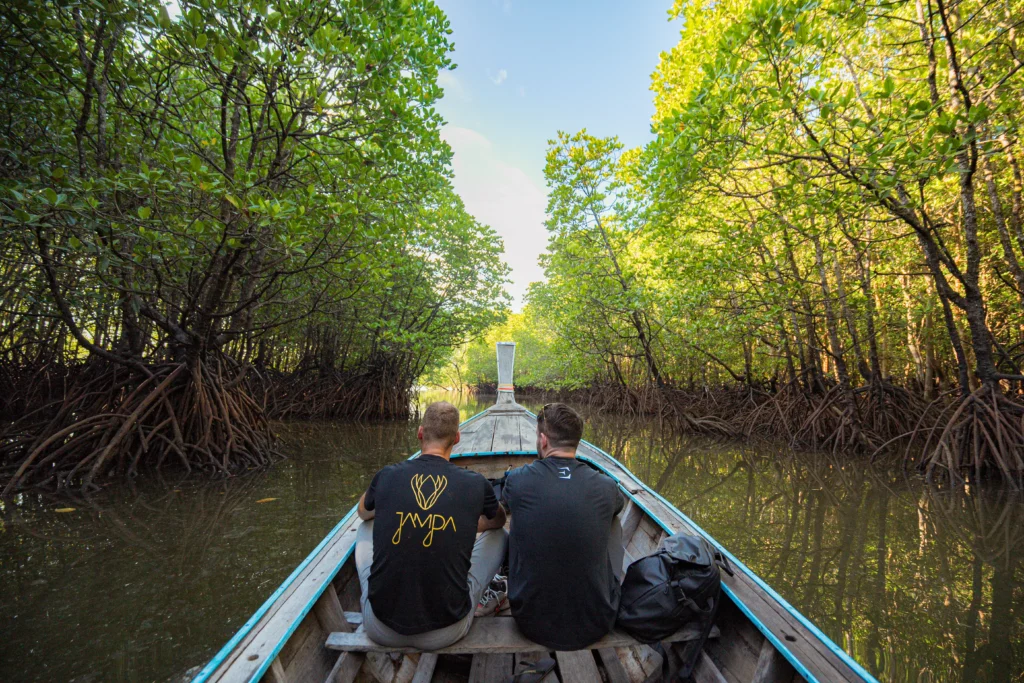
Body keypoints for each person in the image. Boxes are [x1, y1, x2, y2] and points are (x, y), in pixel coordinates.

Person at [355, 401, 507, 649]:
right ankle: (484, 597)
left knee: (364, 527)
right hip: (446, 631)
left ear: (420, 433)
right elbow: (498, 521)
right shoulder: (476, 483)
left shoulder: (387, 475)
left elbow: (362, 512)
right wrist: (469, 524)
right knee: (500, 536)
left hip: (380, 628)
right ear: (457, 438)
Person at [501, 403, 625, 651]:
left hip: (531, 622)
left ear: (543, 440)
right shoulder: (606, 486)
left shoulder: (517, 481)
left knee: (516, 515)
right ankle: (604, 588)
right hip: (596, 622)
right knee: (612, 518)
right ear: (577, 442)